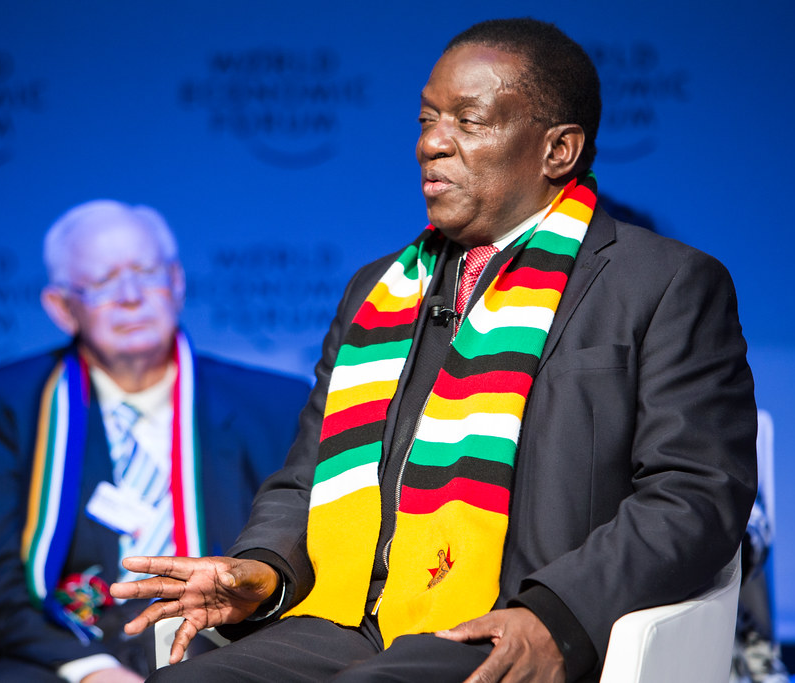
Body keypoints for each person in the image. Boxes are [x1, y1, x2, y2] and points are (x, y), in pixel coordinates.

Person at [110, 18, 758, 683]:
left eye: (468, 122)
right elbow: (306, 477)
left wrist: (557, 614)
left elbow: (695, 495)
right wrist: (265, 567)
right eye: (426, 119)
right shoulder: (377, 290)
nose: (431, 143)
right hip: (349, 620)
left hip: (510, 621)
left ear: (558, 150)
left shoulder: (662, 283)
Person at [0, 199, 311, 682]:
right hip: (71, 651)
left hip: (225, 646)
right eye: (103, 281)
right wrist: (91, 670)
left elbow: (300, 563)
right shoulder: (15, 400)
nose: (130, 296)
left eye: (147, 273)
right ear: (62, 308)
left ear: (177, 282)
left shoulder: (274, 403)